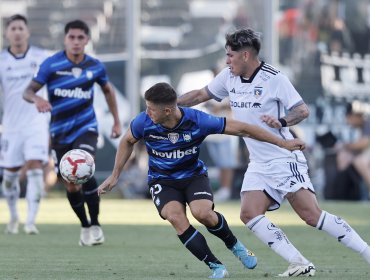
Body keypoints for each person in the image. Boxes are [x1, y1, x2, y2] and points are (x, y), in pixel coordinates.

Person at [177, 28, 370, 276]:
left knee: (311, 215)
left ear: (245, 55)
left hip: (283, 157)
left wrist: (282, 121)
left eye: (230, 55)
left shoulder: (274, 78)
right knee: (248, 213)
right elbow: (201, 94)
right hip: (258, 162)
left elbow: (302, 110)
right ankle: (299, 261)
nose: (227, 61)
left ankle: (367, 252)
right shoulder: (228, 77)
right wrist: (171, 103)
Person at [98, 82, 305, 278]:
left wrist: (281, 142)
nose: (147, 112)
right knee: (175, 217)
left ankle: (234, 245)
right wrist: (115, 175)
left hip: (193, 176)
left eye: (151, 109)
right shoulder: (143, 122)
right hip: (162, 180)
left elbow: (243, 128)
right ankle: (216, 266)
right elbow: (127, 141)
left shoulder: (198, 120)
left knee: (203, 213)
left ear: (168, 111)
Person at [23, 19, 122, 246]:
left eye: (80, 38)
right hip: (59, 132)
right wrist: (37, 98)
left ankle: (96, 223)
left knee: (84, 168)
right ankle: (85, 226)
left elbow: (108, 91)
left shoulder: (95, 66)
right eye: (72, 37)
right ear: (65, 39)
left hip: (86, 127)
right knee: (71, 184)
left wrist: (116, 122)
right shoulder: (51, 64)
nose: (76, 42)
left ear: (87, 40)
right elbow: (28, 91)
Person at [0, 14, 50, 235]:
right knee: (10, 176)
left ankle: (31, 221)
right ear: (6, 33)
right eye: (13, 28)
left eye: (21, 28)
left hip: (36, 122)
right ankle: (13, 215)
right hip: (11, 125)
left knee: (35, 167)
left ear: (27, 32)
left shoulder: (41, 57)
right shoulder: (1, 61)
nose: (17, 32)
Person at [336, 103, 370, 197]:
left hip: (364, 157)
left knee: (360, 161)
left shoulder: (368, 121)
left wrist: (344, 146)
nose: (349, 121)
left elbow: (364, 143)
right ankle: (343, 194)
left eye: (350, 117)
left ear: (356, 115)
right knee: (344, 156)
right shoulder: (361, 126)